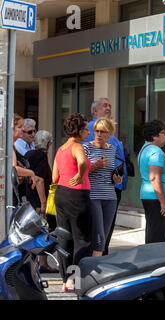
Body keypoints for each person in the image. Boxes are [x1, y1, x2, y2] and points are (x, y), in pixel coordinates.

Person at [52, 113, 92, 293]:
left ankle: (65, 280)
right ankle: (76, 280)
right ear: (78, 130)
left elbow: (54, 177)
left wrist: (71, 174)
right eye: (86, 128)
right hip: (77, 194)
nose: (88, 131)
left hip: (61, 193)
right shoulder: (78, 146)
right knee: (81, 238)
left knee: (64, 237)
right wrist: (79, 174)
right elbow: (82, 162)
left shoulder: (60, 149)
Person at [85, 97, 128, 255]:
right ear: (95, 111)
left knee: (105, 233)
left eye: (110, 105)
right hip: (95, 191)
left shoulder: (111, 144)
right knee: (98, 234)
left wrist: (119, 179)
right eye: (105, 106)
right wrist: (96, 166)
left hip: (112, 189)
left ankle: (101, 260)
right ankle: (94, 263)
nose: (108, 108)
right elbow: (85, 166)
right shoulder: (90, 131)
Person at [24, 130, 58, 273]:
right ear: (48, 144)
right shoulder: (42, 157)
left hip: (29, 199)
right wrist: (43, 203)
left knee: (34, 231)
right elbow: (39, 180)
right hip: (38, 201)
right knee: (43, 231)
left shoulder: (28, 154)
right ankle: (43, 264)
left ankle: (38, 263)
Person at [138, 120, 165, 243]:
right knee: (157, 236)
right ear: (154, 136)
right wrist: (163, 203)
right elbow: (154, 177)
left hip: (150, 196)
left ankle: (150, 260)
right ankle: (154, 261)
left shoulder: (145, 149)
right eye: (163, 132)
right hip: (157, 198)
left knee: (153, 231)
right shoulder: (156, 152)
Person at [12, 114, 45, 210]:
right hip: (13, 194)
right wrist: (30, 173)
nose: (22, 129)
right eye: (19, 127)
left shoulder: (13, 145)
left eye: (34, 131)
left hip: (21, 192)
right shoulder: (11, 146)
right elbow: (13, 168)